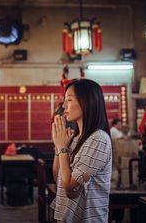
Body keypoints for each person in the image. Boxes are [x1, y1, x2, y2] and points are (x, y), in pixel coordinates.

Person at [51, 79, 112, 223]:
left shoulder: (98, 139)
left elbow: (70, 189)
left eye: (69, 100)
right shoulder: (75, 138)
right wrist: (58, 147)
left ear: (87, 102)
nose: (64, 106)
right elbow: (57, 177)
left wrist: (62, 148)